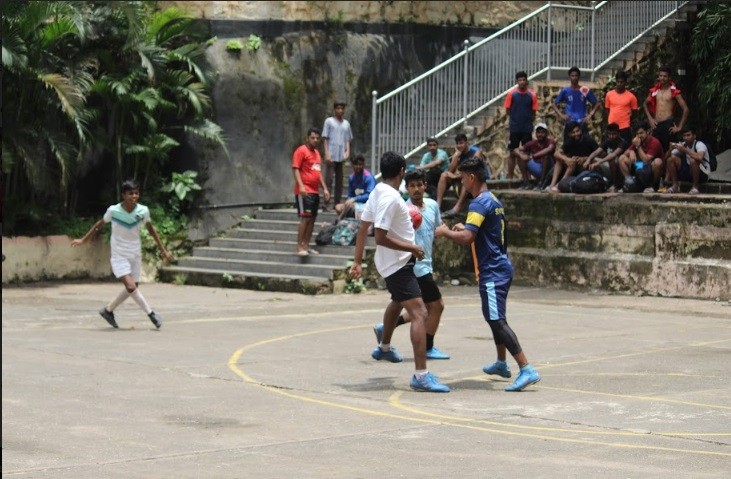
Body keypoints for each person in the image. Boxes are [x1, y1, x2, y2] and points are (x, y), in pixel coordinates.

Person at [436, 157, 540, 392]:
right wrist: (465, 228)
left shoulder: (478, 204)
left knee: (496, 320)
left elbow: (467, 238)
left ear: (471, 178)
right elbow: (479, 230)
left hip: (493, 271)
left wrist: (445, 232)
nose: (461, 183)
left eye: (463, 178)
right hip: (500, 266)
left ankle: (526, 368)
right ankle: (501, 363)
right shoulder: (491, 199)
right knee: (495, 317)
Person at [350, 151, 450, 393]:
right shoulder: (391, 198)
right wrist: (411, 247)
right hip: (398, 265)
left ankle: (384, 347)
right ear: (402, 172)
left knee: (398, 303)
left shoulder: (378, 191)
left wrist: (357, 262)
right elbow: (380, 236)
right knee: (420, 313)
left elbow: (363, 227)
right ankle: (421, 375)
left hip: (396, 263)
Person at [71, 179, 173, 329]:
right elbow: (99, 224)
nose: (134, 196)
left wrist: (163, 250)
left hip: (135, 254)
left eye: (136, 193)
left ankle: (108, 311)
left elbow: (151, 230)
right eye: (131, 193)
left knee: (133, 287)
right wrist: (83, 239)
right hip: (119, 255)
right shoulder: (113, 211)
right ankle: (151, 314)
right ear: (123, 195)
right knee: (131, 287)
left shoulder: (143, 211)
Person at [372, 168, 451, 361]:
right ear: (406, 188)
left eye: (419, 185)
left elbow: (435, 230)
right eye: (412, 186)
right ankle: (427, 348)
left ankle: (385, 331)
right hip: (414, 266)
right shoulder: (402, 209)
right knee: (436, 306)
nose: (416, 189)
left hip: (425, 262)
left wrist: (448, 231)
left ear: (425, 186)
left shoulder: (432, 206)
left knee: (401, 302)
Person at [292, 128, 330, 256]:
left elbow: (318, 173)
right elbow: (296, 168)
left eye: (317, 138)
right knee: (305, 218)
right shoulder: (301, 151)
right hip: (305, 191)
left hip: (315, 192)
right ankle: (299, 246)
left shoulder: (317, 153)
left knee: (312, 219)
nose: (315, 140)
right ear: (307, 138)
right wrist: (301, 186)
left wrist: (325, 188)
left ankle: (306, 245)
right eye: (313, 138)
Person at [642, 66, 689, 152]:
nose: (662, 78)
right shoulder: (655, 91)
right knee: (655, 151)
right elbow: (645, 104)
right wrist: (650, 119)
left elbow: (686, 109)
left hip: (668, 124)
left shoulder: (674, 91)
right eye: (660, 76)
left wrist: (679, 127)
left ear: (669, 77)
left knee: (669, 151)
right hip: (656, 124)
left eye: (665, 76)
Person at [437, 133, 484, 218]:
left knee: (467, 178)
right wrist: (455, 157)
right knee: (444, 175)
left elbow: (473, 170)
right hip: (462, 179)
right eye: (457, 144)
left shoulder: (476, 152)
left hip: (476, 181)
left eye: (461, 143)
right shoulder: (458, 154)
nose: (459, 146)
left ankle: (457, 207)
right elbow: (450, 171)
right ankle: (438, 207)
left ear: (466, 142)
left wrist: (456, 176)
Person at [503, 71, 539, 182]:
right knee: (512, 153)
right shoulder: (511, 94)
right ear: (516, 81)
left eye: (524, 80)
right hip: (515, 128)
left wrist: (528, 123)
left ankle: (527, 177)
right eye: (520, 80)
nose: (522, 82)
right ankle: (510, 177)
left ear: (526, 81)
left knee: (526, 153)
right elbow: (508, 110)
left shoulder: (532, 95)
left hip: (527, 128)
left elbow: (534, 112)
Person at [550, 66, 601, 142]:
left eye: (576, 75)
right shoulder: (565, 91)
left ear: (579, 76)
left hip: (581, 122)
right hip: (569, 123)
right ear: (569, 77)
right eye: (572, 76)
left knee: (584, 145)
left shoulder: (584, 89)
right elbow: (554, 104)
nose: (574, 78)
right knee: (568, 145)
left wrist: (590, 115)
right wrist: (561, 115)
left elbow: (597, 103)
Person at [546, 121, 599, 192]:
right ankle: (552, 185)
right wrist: (566, 159)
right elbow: (556, 153)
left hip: (585, 168)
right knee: (561, 161)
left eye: (577, 131)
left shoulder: (589, 140)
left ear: (581, 130)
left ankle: (559, 185)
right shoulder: (570, 141)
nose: (576, 134)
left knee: (573, 162)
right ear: (570, 134)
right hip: (573, 167)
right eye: (573, 132)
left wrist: (585, 159)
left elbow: (598, 155)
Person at [322, 101, 353, 211]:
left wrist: (347, 151)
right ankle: (326, 203)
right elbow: (325, 138)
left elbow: (347, 139)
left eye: (342, 108)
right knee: (329, 179)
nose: (340, 110)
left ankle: (337, 204)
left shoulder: (346, 124)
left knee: (339, 181)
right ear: (334, 109)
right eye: (338, 108)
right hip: (331, 154)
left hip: (341, 156)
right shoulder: (329, 121)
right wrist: (326, 153)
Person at [618, 121, 665, 193]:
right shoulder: (637, 140)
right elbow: (625, 153)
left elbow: (646, 160)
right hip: (640, 166)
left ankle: (652, 186)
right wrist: (631, 151)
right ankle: (629, 183)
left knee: (658, 162)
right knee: (622, 158)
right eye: (637, 134)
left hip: (650, 167)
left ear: (648, 132)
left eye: (641, 133)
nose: (639, 136)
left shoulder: (654, 142)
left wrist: (638, 146)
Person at [665, 126, 711, 195]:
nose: (686, 138)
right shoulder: (683, 145)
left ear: (694, 136)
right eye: (684, 136)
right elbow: (666, 158)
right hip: (689, 171)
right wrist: (670, 149)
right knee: (671, 160)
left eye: (688, 135)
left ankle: (695, 187)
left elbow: (699, 157)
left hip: (703, 172)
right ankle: (675, 185)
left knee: (693, 160)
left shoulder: (699, 144)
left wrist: (685, 150)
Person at [584, 123, 629, 192]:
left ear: (618, 133)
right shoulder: (608, 141)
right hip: (609, 167)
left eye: (613, 134)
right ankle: (598, 184)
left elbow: (614, 154)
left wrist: (599, 162)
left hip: (621, 168)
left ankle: (615, 185)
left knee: (612, 160)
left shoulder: (623, 142)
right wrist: (588, 160)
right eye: (609, 134)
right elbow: (596, 152)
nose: (611, 136)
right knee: (593, 160)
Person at [515, 122, 556, 190]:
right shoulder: (532, 143)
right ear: (536, 134)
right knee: (520, 156)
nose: (540, 134)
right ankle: (526, 182)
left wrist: (534, 156)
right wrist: (521, 155)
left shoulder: (550, 141)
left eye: (542, 132)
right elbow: (516, 150)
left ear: (546, 133)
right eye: (538, 132)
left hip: (550, 169)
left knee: (546, 156)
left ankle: (541, 182)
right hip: (538, 167)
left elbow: (549, 149)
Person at [334, 154, 376, 219]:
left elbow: (370, 195)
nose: (358, 166)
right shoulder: (351, 178)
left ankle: (340, 220)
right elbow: (350, 194)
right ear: (352, 165)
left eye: (360, 164)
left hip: (367, 205)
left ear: (364, 164)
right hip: (355, 204)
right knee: (338, 207)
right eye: (356, 164)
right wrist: (349, 201)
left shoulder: (369, 178)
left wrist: (355, 199)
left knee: (350, 207)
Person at [604, 71, 638, 144]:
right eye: (618, 82)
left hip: (624, 127)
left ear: (625, 82)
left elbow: (635, 112)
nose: (619, 84)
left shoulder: (631, 97)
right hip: (612, 127)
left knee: (625, 148)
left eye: (621, 82)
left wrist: (628, 121)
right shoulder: (609, 94)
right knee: (610, 148)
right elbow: (607, 109)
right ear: (615, 82)